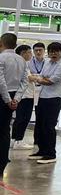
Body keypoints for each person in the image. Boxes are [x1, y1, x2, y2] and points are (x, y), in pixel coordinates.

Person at [27, 42, 61, 165]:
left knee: (49, 126)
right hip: (43, 96)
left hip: (55, 98)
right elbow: (42, 76)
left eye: (56, 51)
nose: (53, 54)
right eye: (51, 51)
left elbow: (51, 81)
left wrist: (38, 79)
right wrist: (41, 78)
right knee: (40, 125)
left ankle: (51, 154)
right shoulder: (48, 62)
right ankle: (42, 150)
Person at [0, 33, 26, 174]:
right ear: (15, 45)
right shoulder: (21, 60)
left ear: (1, 43)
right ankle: (2, 164)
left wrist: (7, 100)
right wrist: (16, 98)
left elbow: (1, 82)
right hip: (13, 96)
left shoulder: (1, 58)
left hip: (3, 97)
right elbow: (25, 81)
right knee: (5, 131)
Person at [11, 45, 35, 150]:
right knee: (24, 118)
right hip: (25, 95)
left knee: (19, 118)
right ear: (23, 53)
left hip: (21, 95)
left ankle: (14, 140)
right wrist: (40, 77)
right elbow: (29, 78)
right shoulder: (23, 64)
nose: (31, 54)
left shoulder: (17, 63)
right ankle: (18, 140)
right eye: (29, 52)